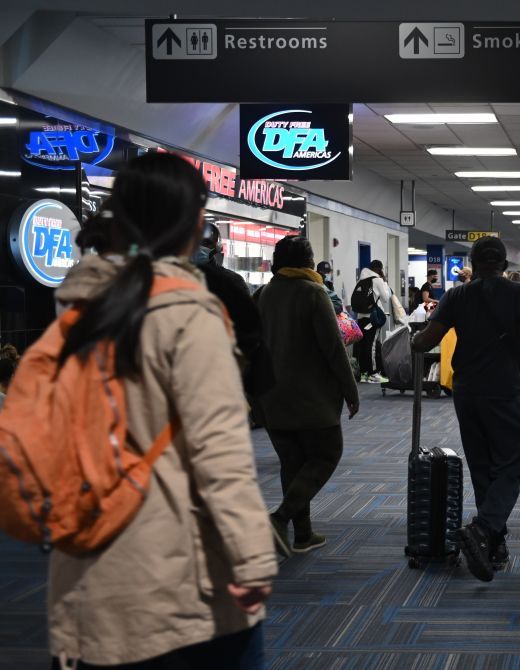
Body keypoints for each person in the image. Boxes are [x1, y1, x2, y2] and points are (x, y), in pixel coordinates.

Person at [49, 152, 276, 667]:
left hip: (88, 554)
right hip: (176, 564)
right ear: (193, 221)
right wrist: (251, 558)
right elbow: (219, 455)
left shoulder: (76, 305)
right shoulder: (187, 316)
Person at [412, 237, 520, 583]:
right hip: (504, 389)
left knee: (482, 464)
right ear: (504, 265)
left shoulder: (456, 295)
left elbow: (426, 341)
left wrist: (415, 341)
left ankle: (494, 544)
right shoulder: (517, 293)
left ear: (474, 264)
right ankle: (484, 528)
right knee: (517, 458)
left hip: (467, 391)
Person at [258, 236, 360, 555]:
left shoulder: (262, 293)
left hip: (271, 397)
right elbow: (333, 349)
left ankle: (303, 535)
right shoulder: (313, 292)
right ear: (308, 261)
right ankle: (280, 518)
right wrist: (351, 390)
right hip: (311, 398)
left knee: (293, 463)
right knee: (326, 455)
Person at [193, 221, 274, 400]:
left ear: (217, 247)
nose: (199, 248)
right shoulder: (167, 281)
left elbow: (249, 335)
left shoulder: (230, 283)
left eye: (206, 244)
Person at [354, 260, 393, 383]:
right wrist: (384, 281)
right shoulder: (377, 280)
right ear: (379, 269)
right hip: (373, 317)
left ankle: (364, 373)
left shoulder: (361, 280)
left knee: (363, 344)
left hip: (361, 317)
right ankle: (373, 374)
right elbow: (386, 297)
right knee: (371, 346)